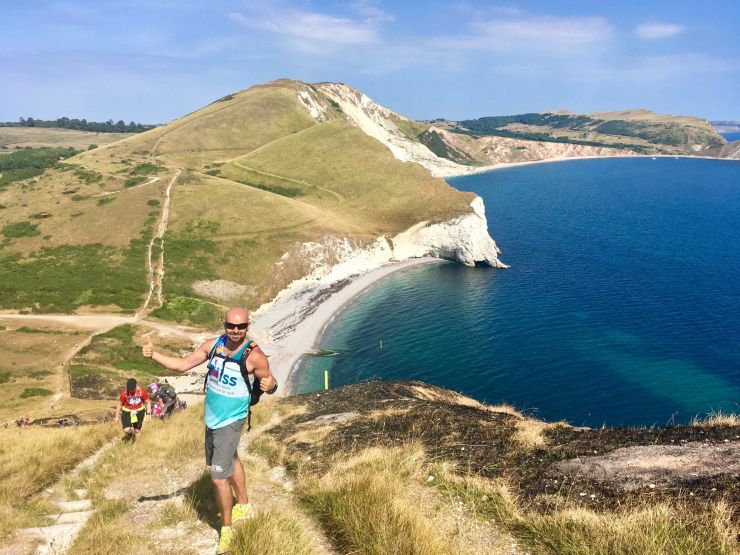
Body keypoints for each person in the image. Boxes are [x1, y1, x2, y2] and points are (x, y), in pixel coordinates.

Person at [142, 307, 277, 554]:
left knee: (217, 477)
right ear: (223, 324)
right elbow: (182, 365)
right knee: (230, 456)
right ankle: (244, 504)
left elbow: (268, 381)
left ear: (248, 325)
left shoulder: (254, 355)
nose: (236, 331)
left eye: (241, 326)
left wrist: (273, 385)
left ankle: (226, 529)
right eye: (231, 326)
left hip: (232, 419)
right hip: (212, 418)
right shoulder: (213, 345)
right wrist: (154, 356)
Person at [114, 378, 151, 442]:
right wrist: (116, 417)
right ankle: (131, 434)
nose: (131, 391)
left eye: (132, 389)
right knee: (126, 430)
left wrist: (148, 414)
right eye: (129, 389)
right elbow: (119, 404)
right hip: (127, 411)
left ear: (136, 386)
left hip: (139, 412)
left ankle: (137, 445)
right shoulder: (124, 393)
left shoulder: (141, 392)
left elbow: (148, 402)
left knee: (137, 430)